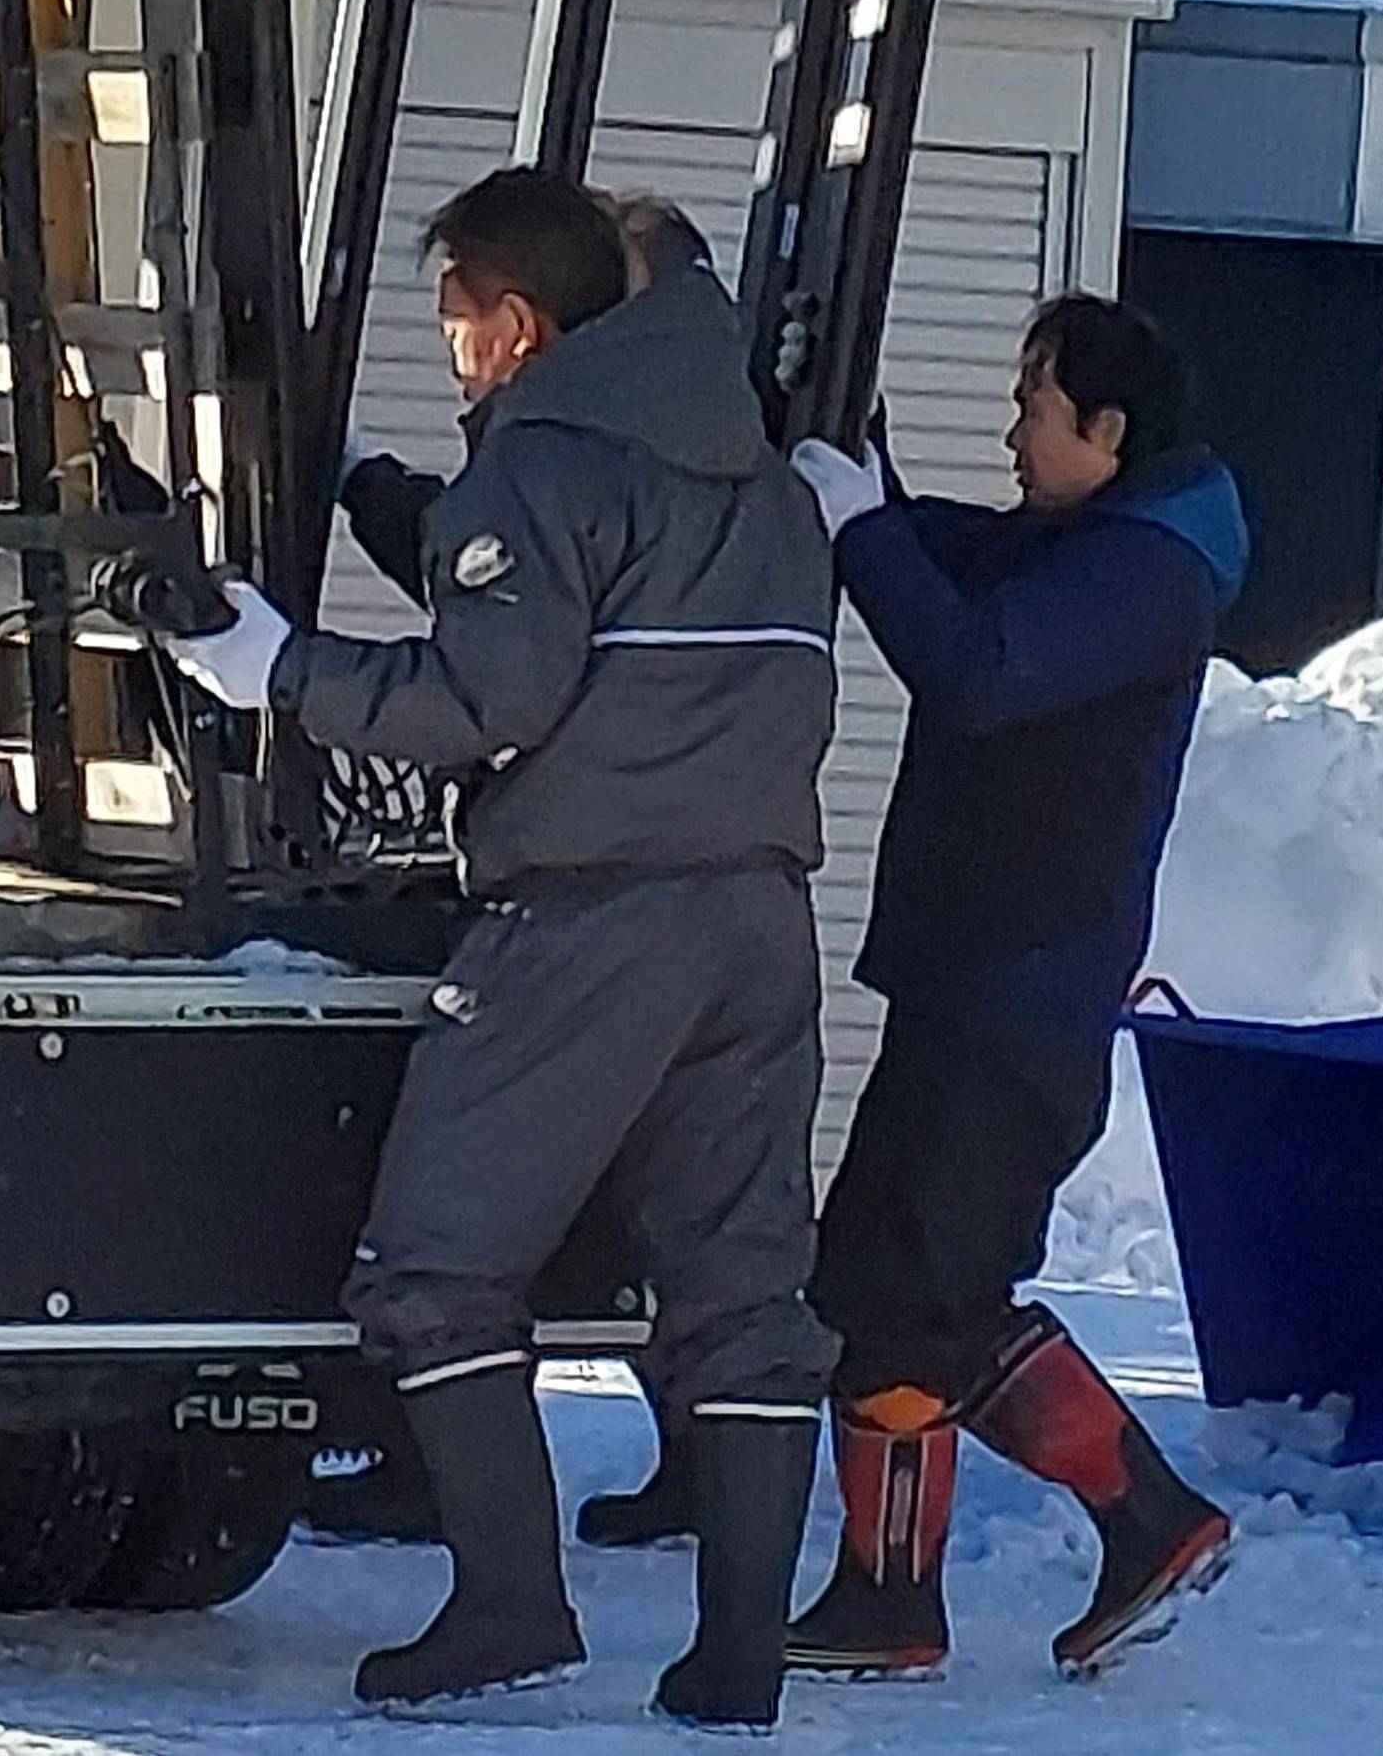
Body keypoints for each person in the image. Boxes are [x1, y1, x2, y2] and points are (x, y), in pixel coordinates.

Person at [167, 165, 838, 1726]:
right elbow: (609, 639)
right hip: (757, 918)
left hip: (590, 923)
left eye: (457, 322)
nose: (454, 351)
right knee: (742, 1291)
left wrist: (277, 670)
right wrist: (407, 512)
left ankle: (508, 1606)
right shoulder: (765, 479)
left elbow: (489, 700)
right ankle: (741, 1657)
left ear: (520, 326)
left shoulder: (543, 467)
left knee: (439, 1267)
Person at [781, 294, 1248, 1683]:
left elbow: (979, 666)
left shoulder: (1145, 576)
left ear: (1107, 432)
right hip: (976, 979)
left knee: (921, 1290)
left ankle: (1121, 1523)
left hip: (1020, 996)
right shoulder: (1093, 543)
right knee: (884, 1274)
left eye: (1034, 407)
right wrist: (867, 482)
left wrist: (863, 527)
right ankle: (921, 1582)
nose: (1014, 430)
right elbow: (967, 561)